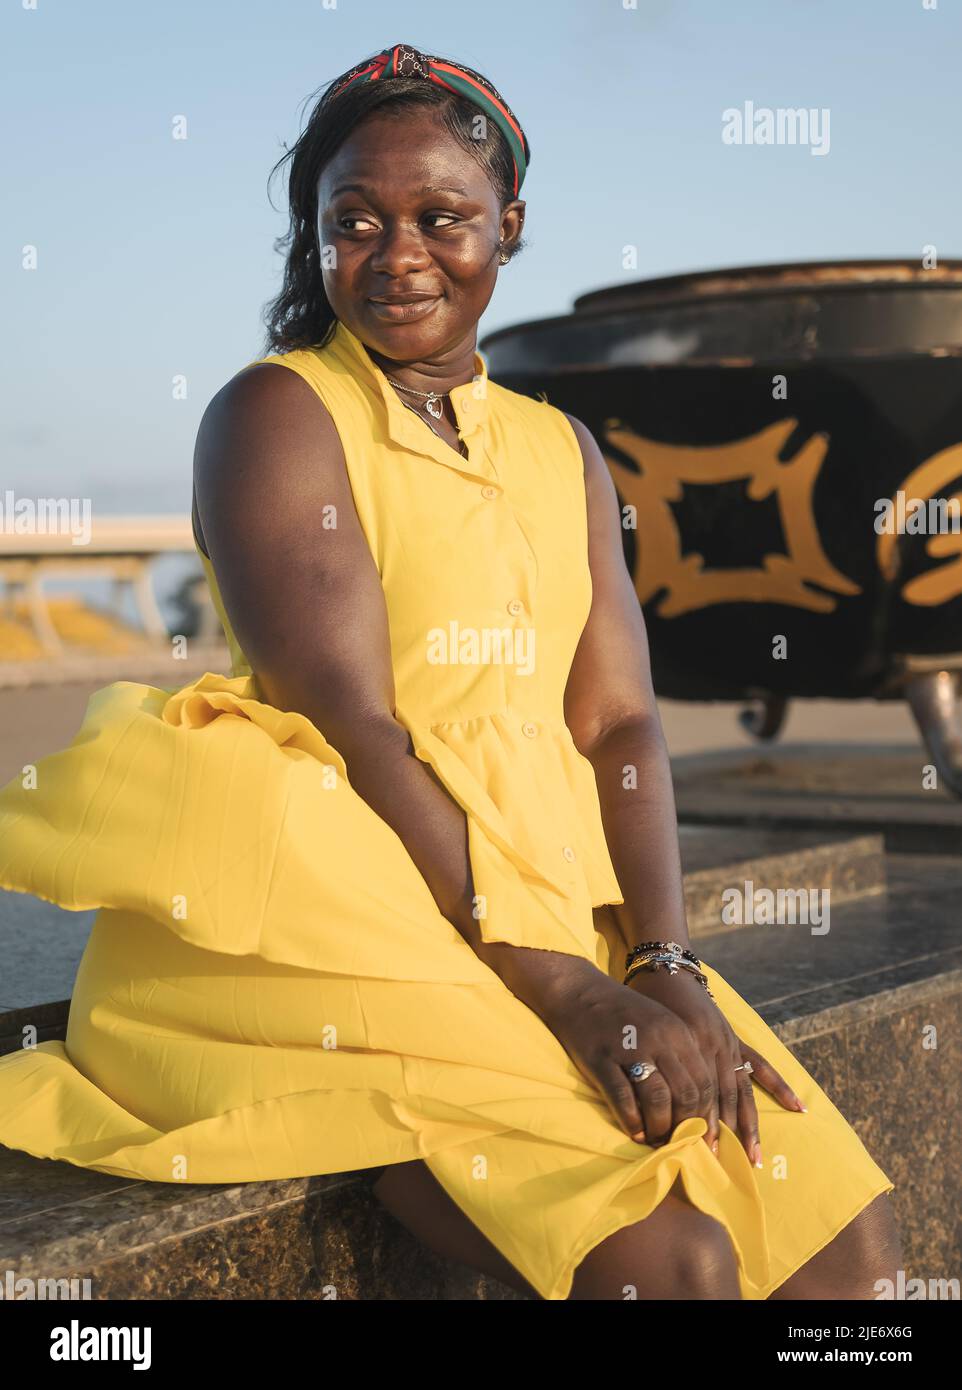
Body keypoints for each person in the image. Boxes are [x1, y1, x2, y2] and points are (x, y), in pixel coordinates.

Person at [0, 43, 899, 1301]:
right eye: (352, 221)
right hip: (344, 909)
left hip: (550, 896)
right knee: (665, 1263)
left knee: (846, 1254)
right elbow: (358, 726)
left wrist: (661, 960)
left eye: (441, 217)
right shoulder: (277, 414)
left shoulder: (560, 447)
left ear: (508, 227)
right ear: (312, 238)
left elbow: (620, 720)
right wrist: (554, 983)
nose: (398, 252)